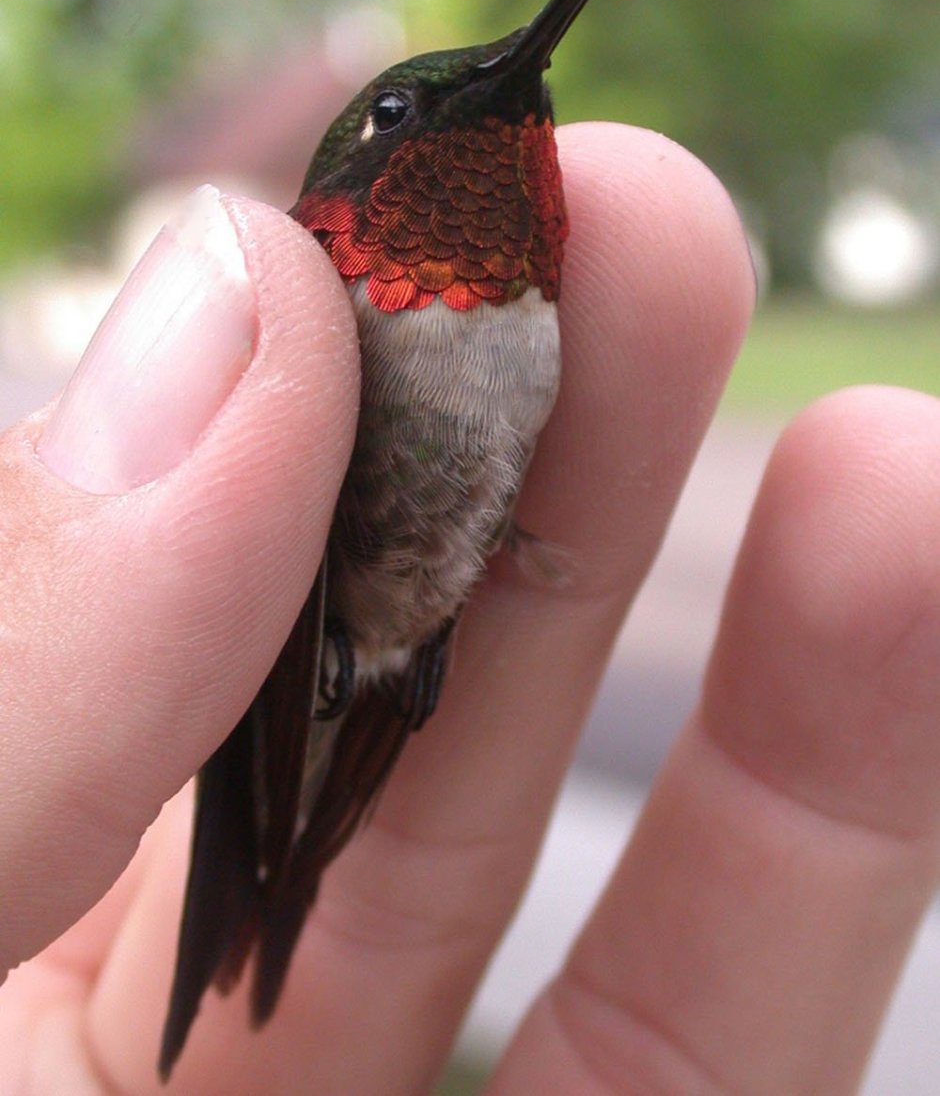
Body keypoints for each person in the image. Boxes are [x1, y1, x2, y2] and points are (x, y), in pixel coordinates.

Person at [1, 122, 938, 1095]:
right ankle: (253, 904)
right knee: (258, 846)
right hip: (331, 636)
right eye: (406, 114)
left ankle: (273, 888)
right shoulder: (350, 310)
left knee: (293, 856)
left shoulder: (523, 315)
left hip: (400, 631)